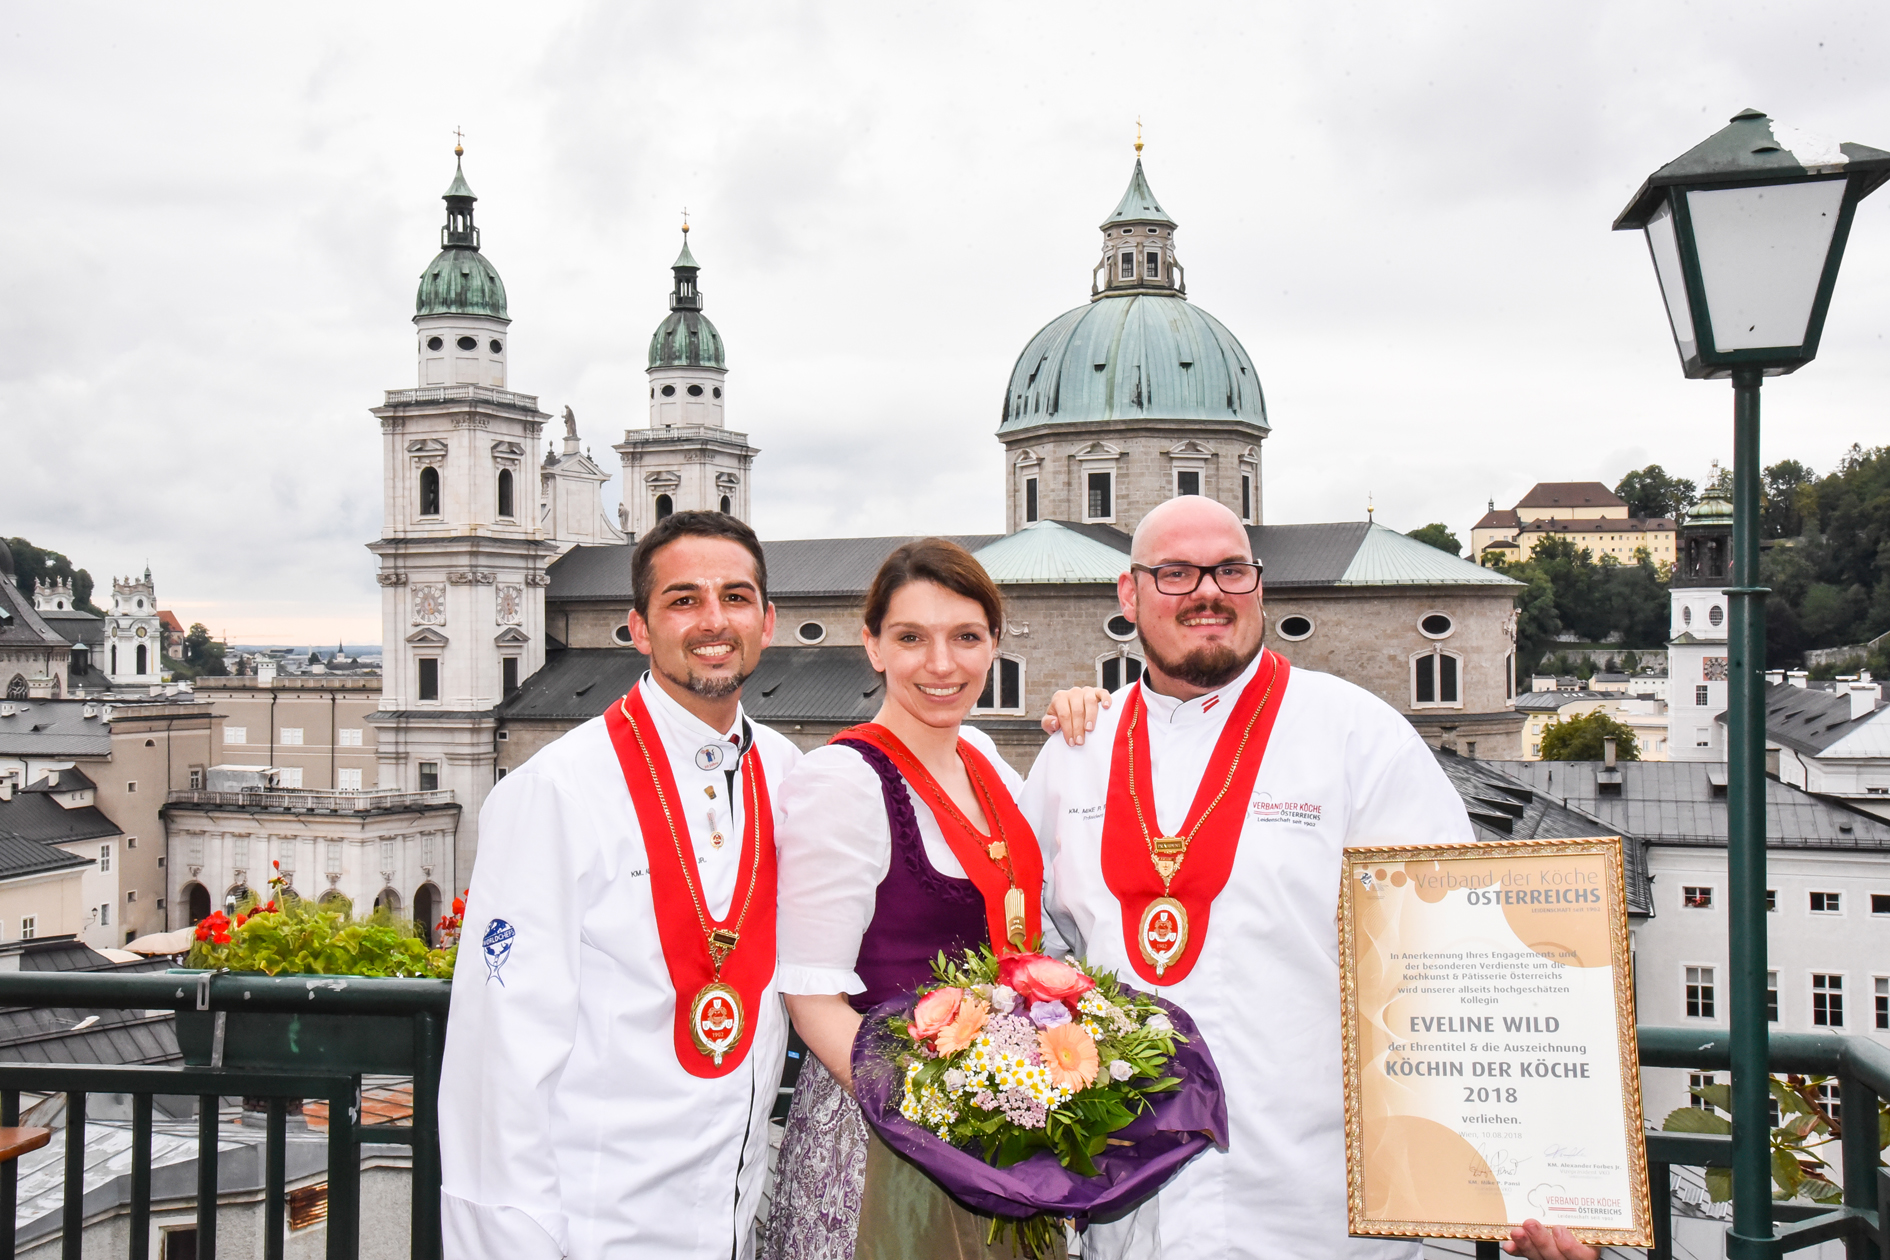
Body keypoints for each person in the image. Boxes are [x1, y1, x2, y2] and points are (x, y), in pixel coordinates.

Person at [1029, 494, 1543, 1260]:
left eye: (1232, 571)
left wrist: (1536, 1183)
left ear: (1260, 587)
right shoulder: (1074, 754)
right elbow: (1033, 963)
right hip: (1128, 1222)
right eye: (1176, 573)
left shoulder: (1358, 735)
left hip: (1319, 1212)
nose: (1209, 593)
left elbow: (1465, 961)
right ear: (1129, 595)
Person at [438, 510, 803, 1259]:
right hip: (595, 1229)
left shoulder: (788, 772)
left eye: (735, 598)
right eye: (683, 600)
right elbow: (498, 1058)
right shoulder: (556, 792)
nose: (713, 621)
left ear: (767, 621)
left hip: (734, 1222)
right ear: (638, 628)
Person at [763, 538, 1090, 1260]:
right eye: (911, 638)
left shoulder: (988, 764)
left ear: (994, 645)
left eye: (966, 638)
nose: (942, 665)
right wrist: (935, 1116)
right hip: (888, 1135)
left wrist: (1093, 708)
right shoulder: (843, 782)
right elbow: (812, 997)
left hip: (1000, 1119)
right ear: (873, 645)